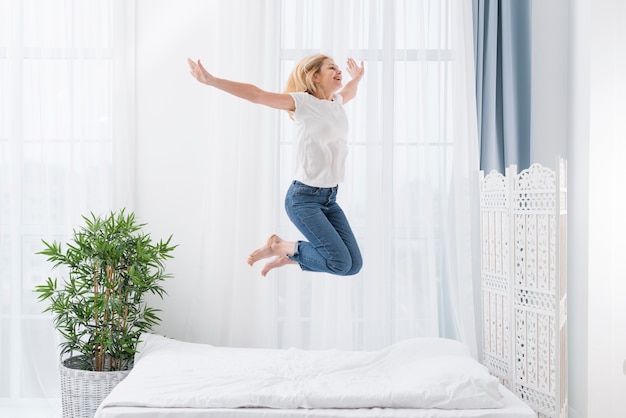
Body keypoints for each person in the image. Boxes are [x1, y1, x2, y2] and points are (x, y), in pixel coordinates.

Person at [187, 54, 364, 277]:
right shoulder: (302, 102)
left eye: (338, 68)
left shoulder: (336, 103)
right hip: (304, 199)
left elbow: (350, 90)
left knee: (353, 266)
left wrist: (356, 78)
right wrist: (212, 80)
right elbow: (257, 95)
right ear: (315, 77)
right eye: (331, 68)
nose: (339, 71)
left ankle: (289, 255)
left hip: (330, 198)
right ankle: (281, 246)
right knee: (339, 263)